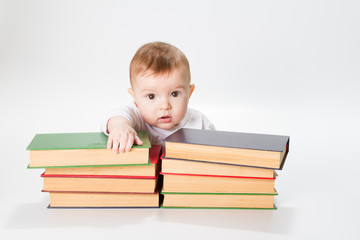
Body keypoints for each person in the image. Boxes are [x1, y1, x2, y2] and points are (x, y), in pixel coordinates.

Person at [102, 41, 215, 153]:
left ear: (189, 93)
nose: (165, 106)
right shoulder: (137, 118)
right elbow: (117, 114)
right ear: (135, 98)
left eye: (174, 94)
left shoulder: (200, 123)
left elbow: (218, 151)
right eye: (151, 96)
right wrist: (120, 126)